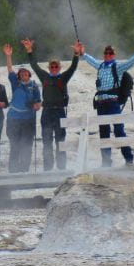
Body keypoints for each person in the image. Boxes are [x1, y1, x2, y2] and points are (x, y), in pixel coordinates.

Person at [83, 41, 134, 167]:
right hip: (101, 103)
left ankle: (129, 159)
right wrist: (82, 53)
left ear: (114, 55)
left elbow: (130, 63)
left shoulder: (117, 67)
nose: (108, 55)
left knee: (119, 130)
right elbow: (91, 60)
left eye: (110, 53)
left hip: (113, 103)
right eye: (106, 53)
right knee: (104, 133)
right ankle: (106, 163)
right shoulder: (100, 66)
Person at [22, 37, 84, 171]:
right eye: (52, 66)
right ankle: (48, 169)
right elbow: (34, 66)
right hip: (47, 112)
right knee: (47, 142)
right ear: (49, 67)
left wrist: (76, 54)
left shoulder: (63, 77)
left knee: (60, 142)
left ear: (60, 67)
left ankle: (62, 169)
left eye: (56, 66)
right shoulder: (44, 76)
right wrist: (29, 51)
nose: (54, 68)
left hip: (60, 112)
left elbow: (73, 67)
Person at [2, 43, 42, 173]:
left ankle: (24, 170)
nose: (23, 74)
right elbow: (9, 69)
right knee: (15, 145)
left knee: (27, 145)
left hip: (28, 119)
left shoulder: (34, 86)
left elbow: (38, 103)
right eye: (21, 73)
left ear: (29, 74)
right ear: (19, 75)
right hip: (14, 119)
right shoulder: (15, 83)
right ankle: (13, 171)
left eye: (25, 73)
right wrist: (8, 56)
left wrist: (35, 106)